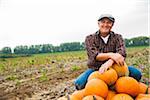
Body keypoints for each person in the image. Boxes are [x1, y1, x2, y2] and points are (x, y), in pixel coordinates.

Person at [74, 14, 142, 90]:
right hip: (96, 69)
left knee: (137, 74)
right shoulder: (90, 38)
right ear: (98, 24)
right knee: (79, 84)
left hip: (117, 68)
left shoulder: (118, 37)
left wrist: (109, 62)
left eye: (109, 22)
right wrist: (112, 55)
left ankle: (117, 86)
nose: (105, 25)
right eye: (103, 22)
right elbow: (94, 56)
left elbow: (122, 53)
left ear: (112, 25)